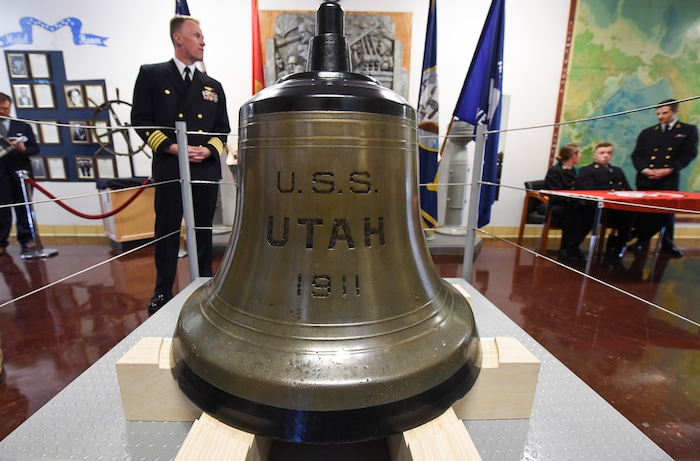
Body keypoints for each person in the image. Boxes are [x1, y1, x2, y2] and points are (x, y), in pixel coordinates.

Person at [131, 16, 230, 314]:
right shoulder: (152, 75)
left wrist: (208, 150)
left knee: (201, 230)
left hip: (202, 169)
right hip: (170, 167)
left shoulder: (211, 85)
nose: (203, 42)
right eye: (197, 35)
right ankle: (163, 289)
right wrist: (173, 147)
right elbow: (141, 121)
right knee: (167, 229)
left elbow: (222, 128)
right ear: (178, 39)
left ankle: (202, 285)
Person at [629, 99, 699, 258]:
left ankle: (666, 243)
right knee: (644, 212)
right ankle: (640, 242)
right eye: (658, 113)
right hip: (646, 178)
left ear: (675, 111)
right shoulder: (648, 132)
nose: (660, 116)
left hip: (668, 178)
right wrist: (646, 170)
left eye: (665, 113)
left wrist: (670, 169)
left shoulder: (687, 130)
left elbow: (689, 154)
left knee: (666, 213)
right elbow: (637, 155)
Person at [0, 92, 40, 256]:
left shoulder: (23, 126)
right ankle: (1, 242)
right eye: (0, 109)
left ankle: (26, 239)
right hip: (1, 174)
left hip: (21, 172)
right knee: (2, 210)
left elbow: (35, 149)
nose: (3, 112)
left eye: (6, 108)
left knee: (24, 207)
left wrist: (23, 149)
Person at [576, 142, 633, 258]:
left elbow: (628, 189)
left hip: (618, 207)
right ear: (595, 155)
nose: (606, 155)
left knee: (636, 213)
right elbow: (590, 189)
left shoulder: (617, 171)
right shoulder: (587, 170)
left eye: (609, 153)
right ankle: (620, 243)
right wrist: (616, 190)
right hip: (597, 207)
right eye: (602, 153)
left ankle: (621, 243)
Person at [544, 143, 591, 261]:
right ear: (572, 155)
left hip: (570, 203)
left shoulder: (573, 170)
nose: (580, 156)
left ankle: (575, 245)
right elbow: (555, 191)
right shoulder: (556, 170)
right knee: (573, 213)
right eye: (579, 153)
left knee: (591, 211)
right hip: (555, 204)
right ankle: (565, 247)